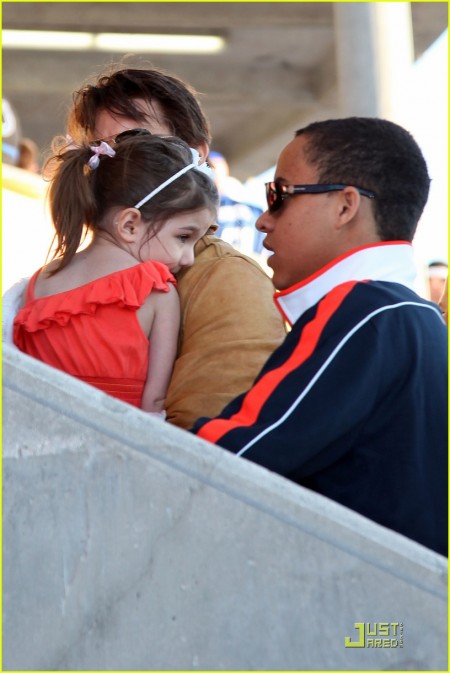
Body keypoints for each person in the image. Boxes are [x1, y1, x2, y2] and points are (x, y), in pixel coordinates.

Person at [193, 117, 448, 556]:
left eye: (278, 196)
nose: (263, 222)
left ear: (346, 206)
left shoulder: (363, 313)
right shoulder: (421, 321)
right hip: (401, 620)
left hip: (351, 619)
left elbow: (231, 454)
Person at [3, 66, 287, 428]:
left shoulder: (227, 280)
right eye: (105, 152)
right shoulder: (49, 272)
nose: (118, 165)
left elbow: (216, 438)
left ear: (195, 157)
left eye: (140, 143)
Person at [13, 132, 218, 415]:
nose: (189, 259)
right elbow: (154, 404)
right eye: (183, 237)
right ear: (130, 225)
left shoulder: (41, 281)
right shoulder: (156, 291)